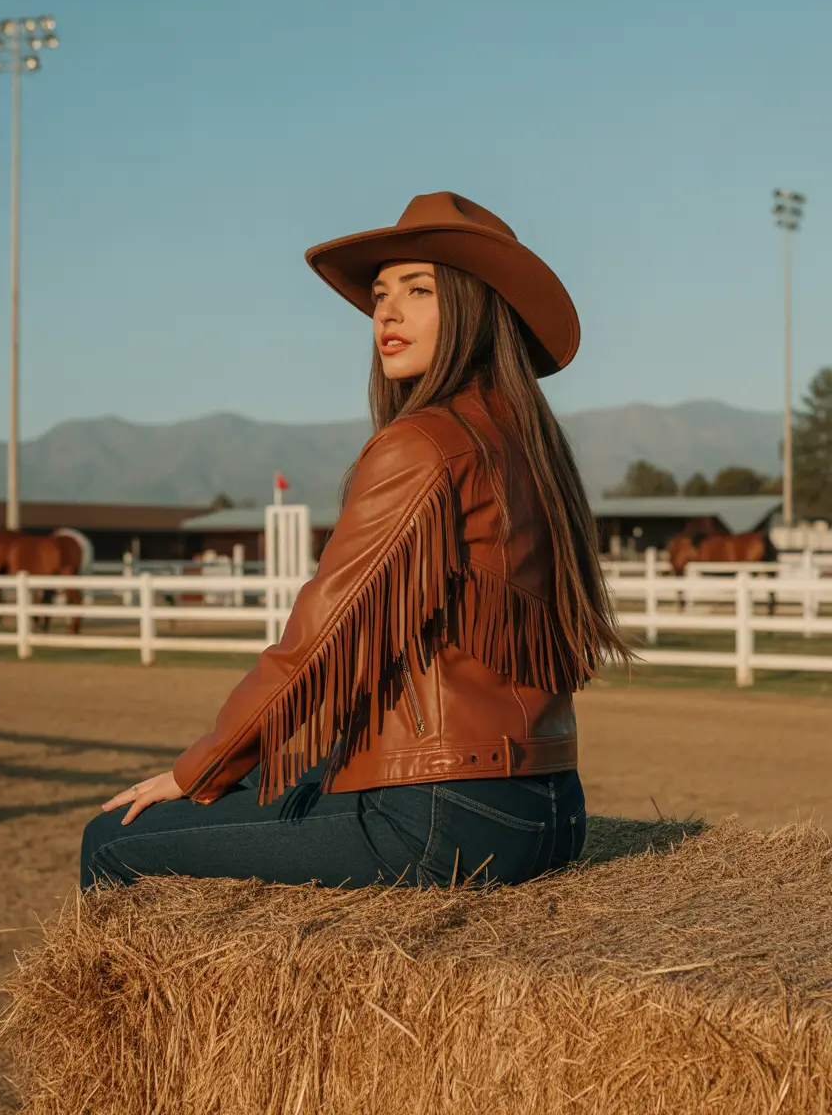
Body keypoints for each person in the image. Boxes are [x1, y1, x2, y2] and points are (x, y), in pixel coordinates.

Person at [81, 192, 633, 894]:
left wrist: (201, 767)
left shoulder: (422, 445)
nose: (387, 313)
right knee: (301, 776)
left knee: (109, 839)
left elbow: (317, 640)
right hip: (549, 804)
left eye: (419, 289)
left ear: (475, 307)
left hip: (444, 818)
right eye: (379, 295)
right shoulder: (533, 447)